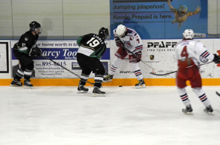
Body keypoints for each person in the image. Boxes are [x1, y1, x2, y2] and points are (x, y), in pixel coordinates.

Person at [175, 29, 220, 113]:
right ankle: (208, 106)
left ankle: (187, 106)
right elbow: (205, 55)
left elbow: (177, 59)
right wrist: (215, 58)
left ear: (183, 35)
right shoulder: (196, 43)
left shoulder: (178, 45)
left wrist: (182, 68)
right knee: (197, 89)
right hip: (193, 69)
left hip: (181, 69)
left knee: (180, 89)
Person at [104, 24, 145, 88]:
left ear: (125, 31)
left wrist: (138, 53)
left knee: (134, 65)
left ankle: (141, 81)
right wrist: (117, 41)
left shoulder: (133, 35)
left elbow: (139, 45)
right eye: (120, 35)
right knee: (116, 60)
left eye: (122, 35)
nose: (121, 36)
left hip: (133, 48)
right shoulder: (116, 31)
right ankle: (110, 75)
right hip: (124, 46)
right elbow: (116, 36)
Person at [76, 27, 109, 96]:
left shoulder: (91, 35)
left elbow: (78, 40)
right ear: (106, 36)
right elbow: (97, 57)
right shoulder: (103, 45)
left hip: (79, 54)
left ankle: (81, 86)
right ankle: (97, 87)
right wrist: (96, 67)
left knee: (86, 69)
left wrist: (83, 47)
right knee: (100, 70)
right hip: (89, 56)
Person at [10, 21, 42, 88]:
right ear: (34, 29)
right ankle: (26, 81)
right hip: (18, 51)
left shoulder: (36, 36)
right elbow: (20, 48)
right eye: (38, 28)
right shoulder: (26, 36)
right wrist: (32, 52)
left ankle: (16, 80)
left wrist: (37, 50)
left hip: (24, 52)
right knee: (30, 64)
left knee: (24, 66)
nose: (39, 30)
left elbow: (33, 45)